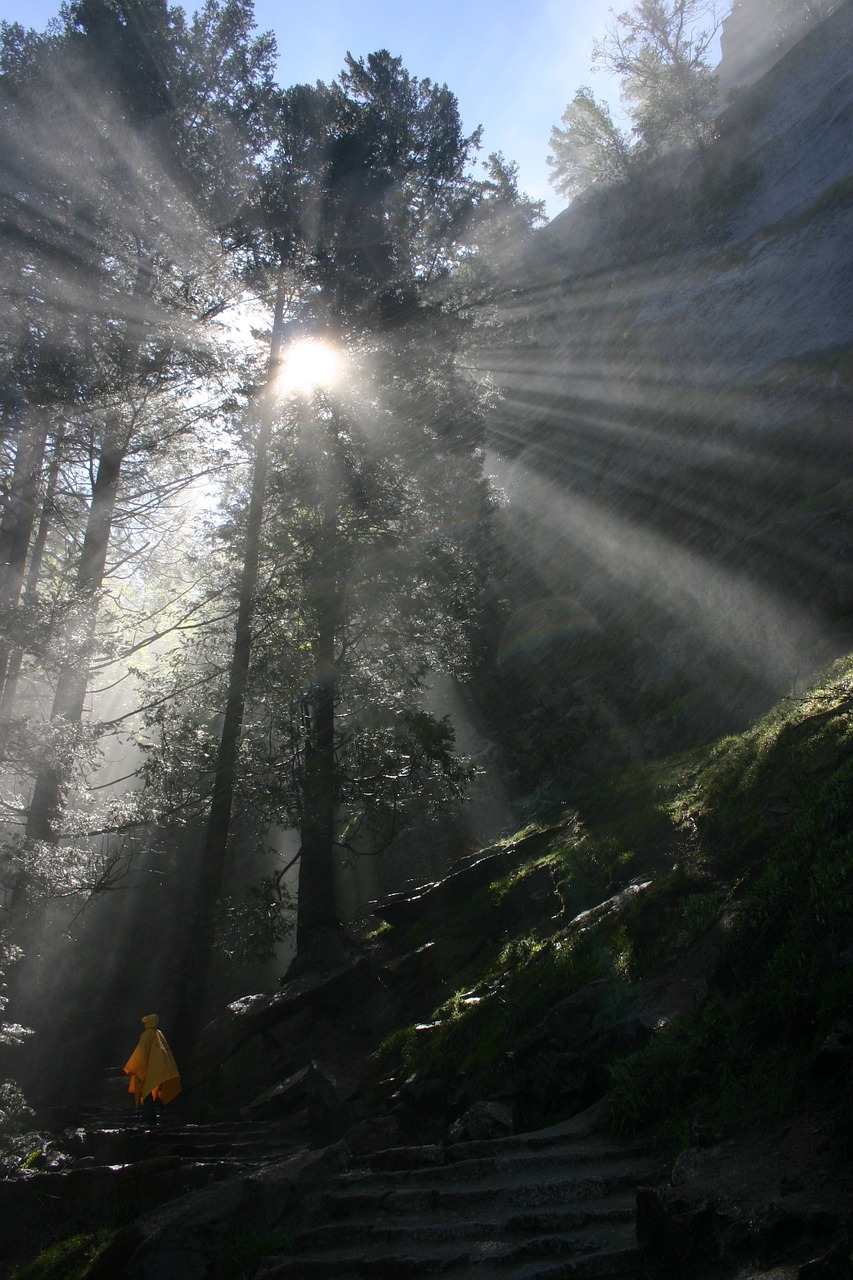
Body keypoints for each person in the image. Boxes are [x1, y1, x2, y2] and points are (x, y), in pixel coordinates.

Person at [124, 1014, 181, 1128]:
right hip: (155, 1070)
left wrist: (135, 1067)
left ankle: (148, 1120)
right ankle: (148, 1118)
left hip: (147, 1070)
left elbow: (141, 1053)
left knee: (147, 1096)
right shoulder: (158, 1034)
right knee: (148, 1096)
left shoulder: (146, 1035)